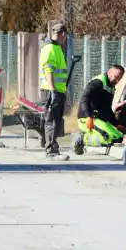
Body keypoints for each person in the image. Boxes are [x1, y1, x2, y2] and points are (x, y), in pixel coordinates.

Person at [72, 64, 126, 155]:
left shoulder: (110, 87)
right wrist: (88, 116)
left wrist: (116, 124)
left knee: (119, 137)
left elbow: (107, 108)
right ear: (109, 72)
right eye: (116, 77)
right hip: (87, 119)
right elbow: (84, 98)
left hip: (99, 120)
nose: (117, 80)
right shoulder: (97, 82)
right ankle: (81, 138)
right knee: (109, 139)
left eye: (119, 79)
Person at [39, 21, 70, 161]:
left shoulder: (55, 48)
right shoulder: (50, 49)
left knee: (56, 120)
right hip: (51, 90)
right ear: (63, 34)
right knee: (51, 120)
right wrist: (53, 91)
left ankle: (53, 147)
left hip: (57, 90)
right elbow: (48, 71)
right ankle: (51, 150)